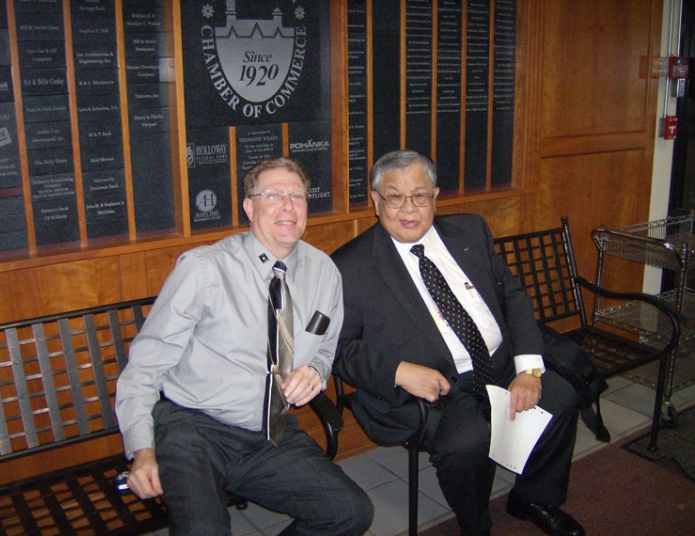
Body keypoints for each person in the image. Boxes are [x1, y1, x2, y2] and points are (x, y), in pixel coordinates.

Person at [116, 157, 373, 536]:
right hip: (193, 429)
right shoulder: (204, 270)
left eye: (297, 196)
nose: (288, 206)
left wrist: (316, 372)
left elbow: (325, 350)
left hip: (269, 432)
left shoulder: (325, 273)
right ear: (249, 207)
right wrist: (142, 451)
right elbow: (144, 368)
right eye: (273, 195)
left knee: (350, 512)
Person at [332, 149, 584, 536]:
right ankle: (475, 525)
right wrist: (399, 372)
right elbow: (339, 349)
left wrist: (528, 369)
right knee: (468, 441)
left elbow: (513, 297)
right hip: (435, 389)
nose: (408, 208)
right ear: (375, 200)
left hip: (498, 366)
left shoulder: (470, 231)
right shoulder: (350, 266)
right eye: (394, 196)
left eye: (419, 195)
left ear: (435, 196)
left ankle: (533, 498)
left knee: (560, 398)